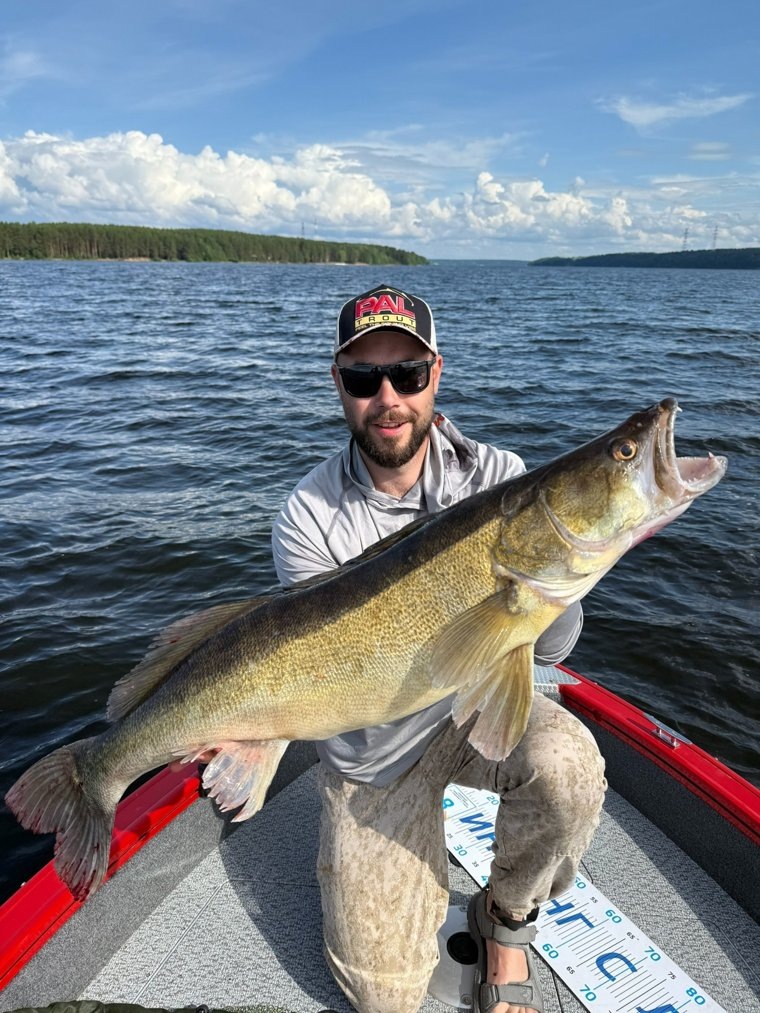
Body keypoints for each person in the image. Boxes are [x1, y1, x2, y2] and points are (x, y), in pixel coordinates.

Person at [271, 285, 607, 1013]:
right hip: (376, 748)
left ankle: (508, 922)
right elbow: (339, 686)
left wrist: (544, 587)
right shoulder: (307, 515)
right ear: (340, 385)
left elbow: (552, 648)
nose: (388, 397)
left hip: (477, 706)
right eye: (365, 378)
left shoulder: (499, 477)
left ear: (436, 375)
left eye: (408, 374)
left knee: (568, 768)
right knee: (383, 996)